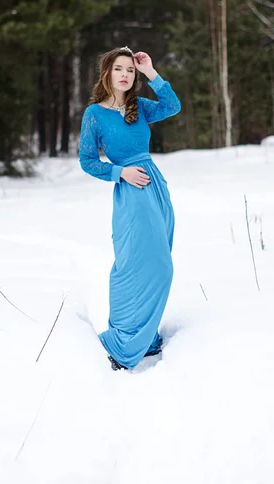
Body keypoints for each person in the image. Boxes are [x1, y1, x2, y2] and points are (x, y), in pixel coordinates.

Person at [79, 46, 181, 370]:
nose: (125, 75)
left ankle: (146, 336)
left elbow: (173, 105)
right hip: (131, 190)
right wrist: (119, 172)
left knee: (157, 257)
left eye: (130, 70)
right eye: (119, 69)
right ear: (107, 73)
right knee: (143, 265)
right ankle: (122, 341)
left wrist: (151, 71)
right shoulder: (94, 114)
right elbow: (87, 160)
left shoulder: (140, 106)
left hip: (156, 189)